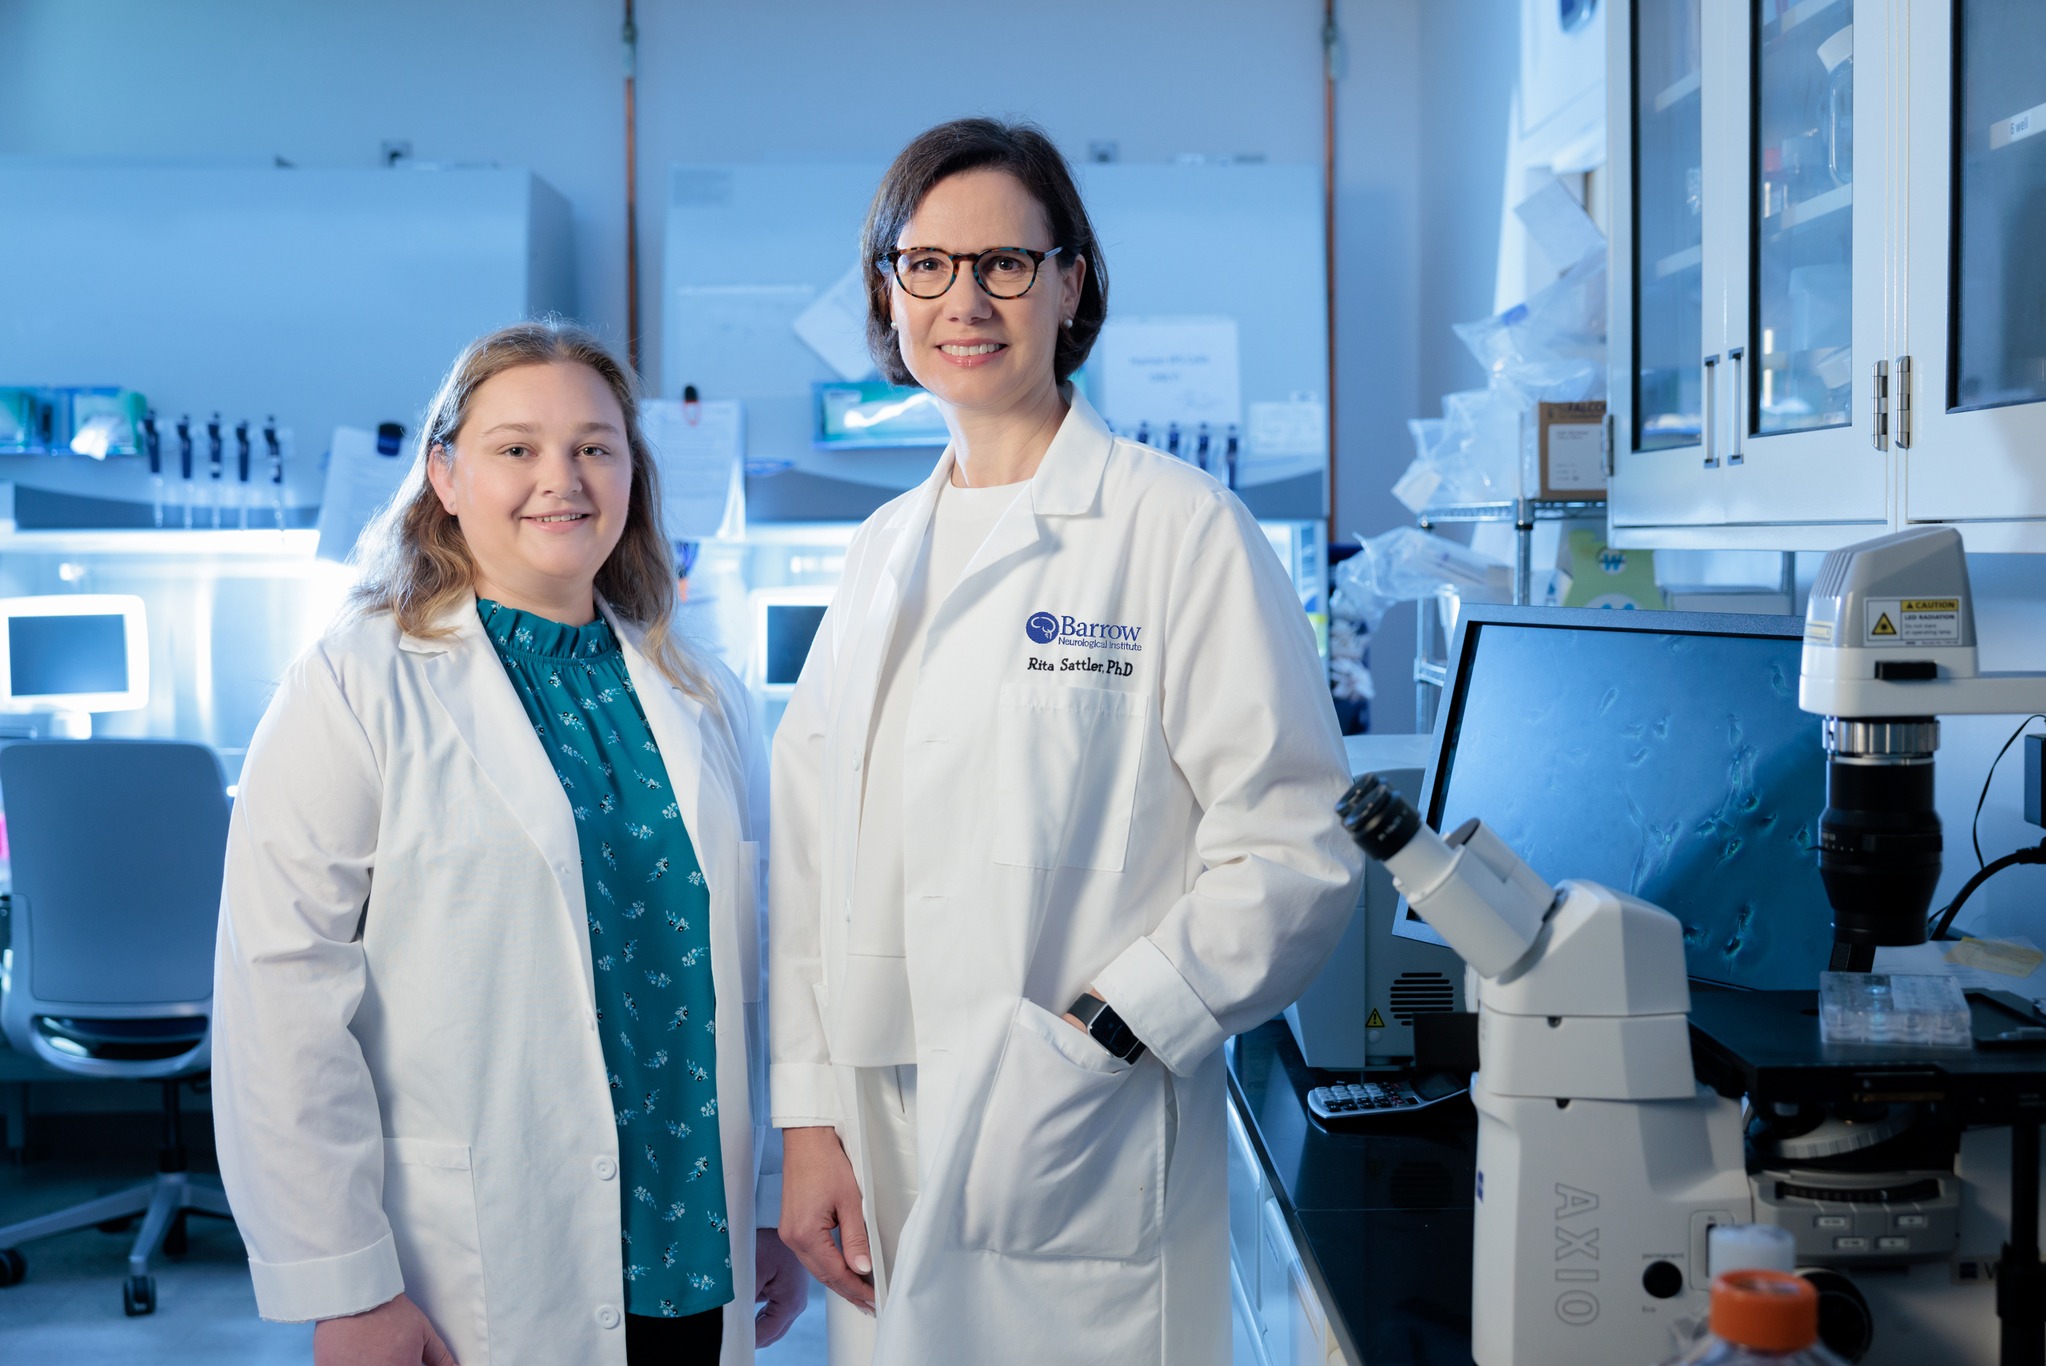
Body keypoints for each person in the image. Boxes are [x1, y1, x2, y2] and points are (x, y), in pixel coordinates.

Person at [769, 119, 1363, 1365]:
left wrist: (1110, 1026)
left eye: (1005, 262)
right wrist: (811, 1120)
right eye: (925, 263)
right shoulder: (880, 551)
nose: (964, 298)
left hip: (1079, 1129)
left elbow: (1293, 848)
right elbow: (812, 858)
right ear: (888, 289)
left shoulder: (1178, 531)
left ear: (1068, 281)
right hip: (880, 1135)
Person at [213, 321, 805, 1366]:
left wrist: (763, 1200)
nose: (560, 479)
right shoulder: (357, 680)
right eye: (516, 447)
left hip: (687, 1242)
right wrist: (343, 1282)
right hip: (474, 1255)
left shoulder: (699, 695)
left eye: (594, 446)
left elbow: (749, 979)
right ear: (444, 472)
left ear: (631, 473)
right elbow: (281, 993)